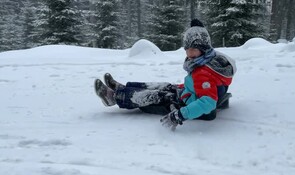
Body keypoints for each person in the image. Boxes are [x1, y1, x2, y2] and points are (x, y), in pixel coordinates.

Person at [94, 19, 236, 130]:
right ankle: (122, 88)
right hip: (190, 93)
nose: (189, 54)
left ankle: (115, 97)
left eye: (194, 50)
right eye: (187, 49)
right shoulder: (211, 60)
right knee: (164, 86)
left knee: (157, 96)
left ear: (204, 49)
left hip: (190, 106)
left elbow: (208, 103)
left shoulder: (203, 73)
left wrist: (179, 115)